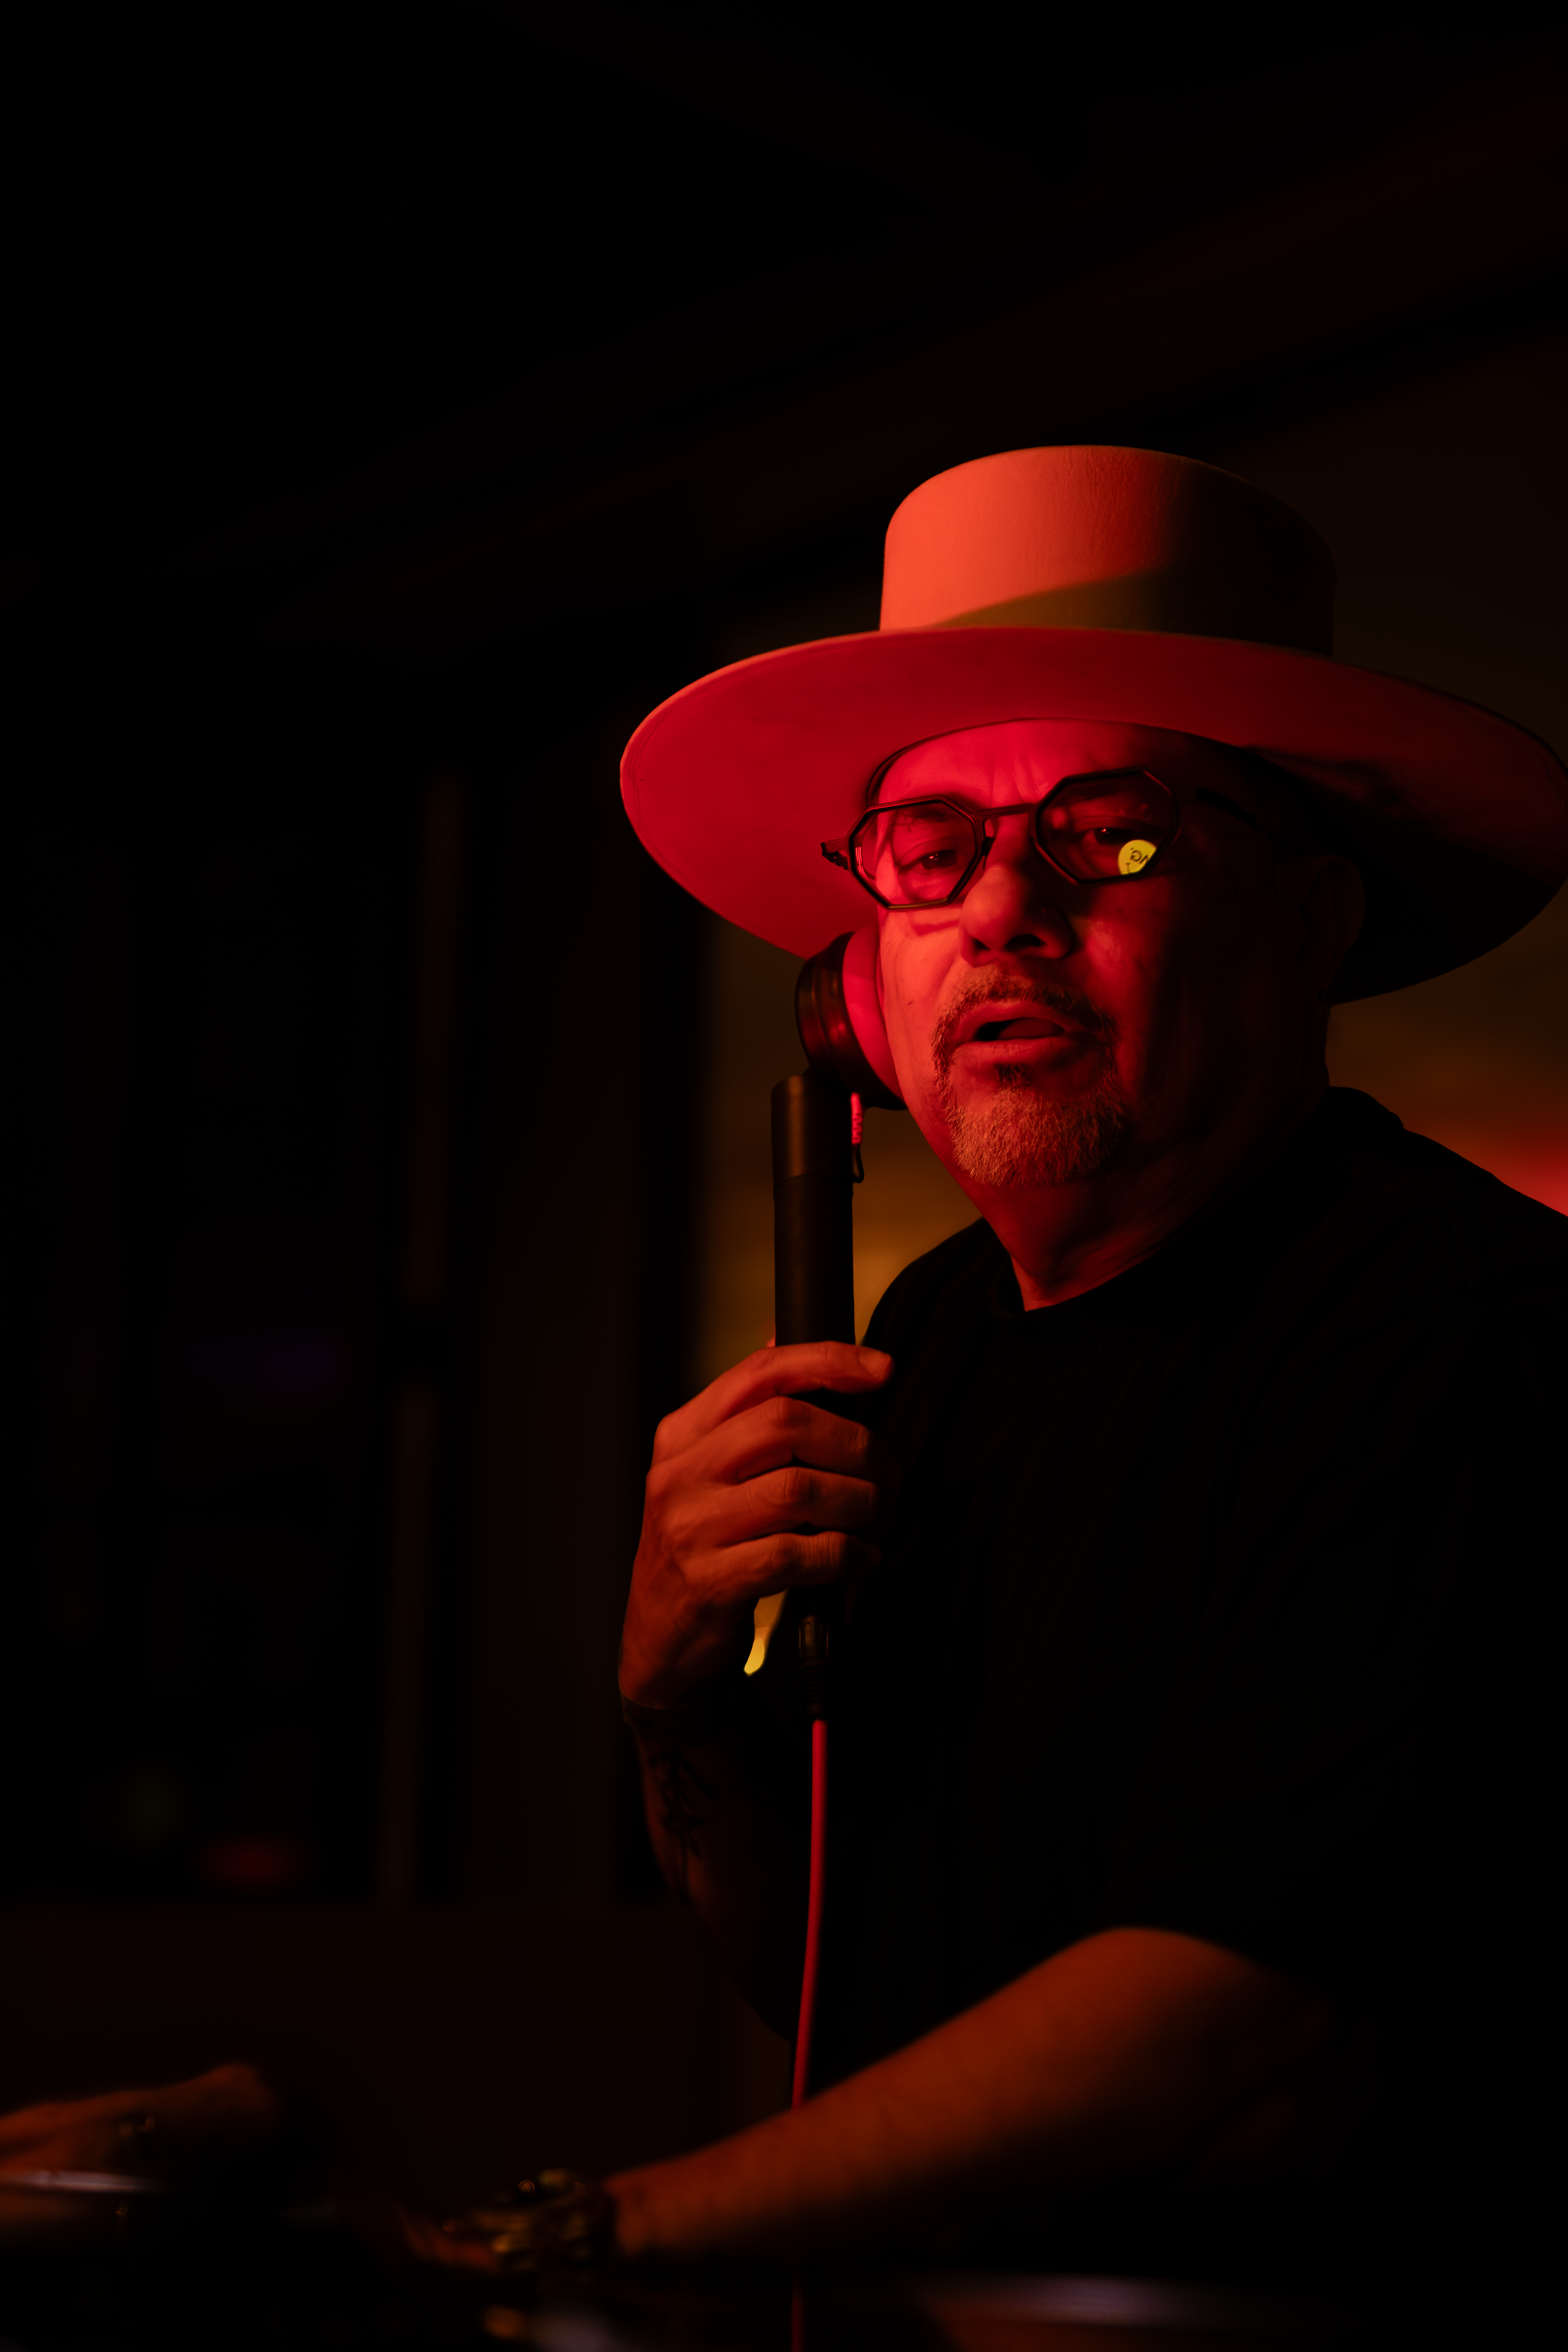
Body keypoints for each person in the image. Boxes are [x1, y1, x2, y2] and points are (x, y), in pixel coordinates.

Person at [479, 449, 1568, 2324]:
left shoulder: (1455, 1326)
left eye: (1109, 833)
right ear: (860, 983)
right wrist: (678, 1707)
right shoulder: (928, 1338)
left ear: (1309, 925)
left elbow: (1236, 2030)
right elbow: (847, 1986)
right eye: (933, 848)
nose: (1000, 911)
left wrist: (584, 2243)